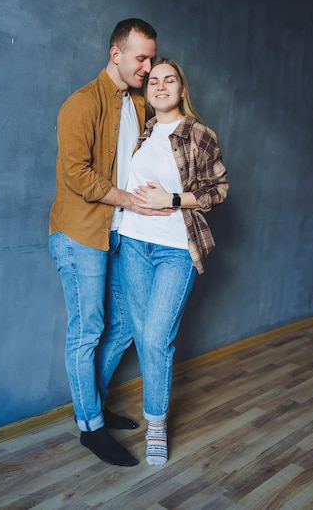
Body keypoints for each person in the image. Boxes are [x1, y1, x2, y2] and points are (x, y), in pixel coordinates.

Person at [48, 19, 172, 467]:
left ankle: (93, 406)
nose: (148, 66)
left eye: (153, 58)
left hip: (119, 233)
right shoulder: (81, 104)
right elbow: (76, 175)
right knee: (88, 330)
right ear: (116, 54)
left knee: (122, 326)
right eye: (141, 57)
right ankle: (90, 428)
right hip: (80, 233)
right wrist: (132, 204)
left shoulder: (137, 107)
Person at [118, 57, 229, 465]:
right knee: (143, 334)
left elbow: (218, 191)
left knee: (155, 338)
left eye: (170, 81)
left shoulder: (199, 135)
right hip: (132, 244)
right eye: (154, 82)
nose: (161, 86)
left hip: (174, 249)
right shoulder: (143, 132)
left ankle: (157, 425)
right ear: (147, 92)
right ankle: (152, 416)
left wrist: (173, 199)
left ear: (182, 89)